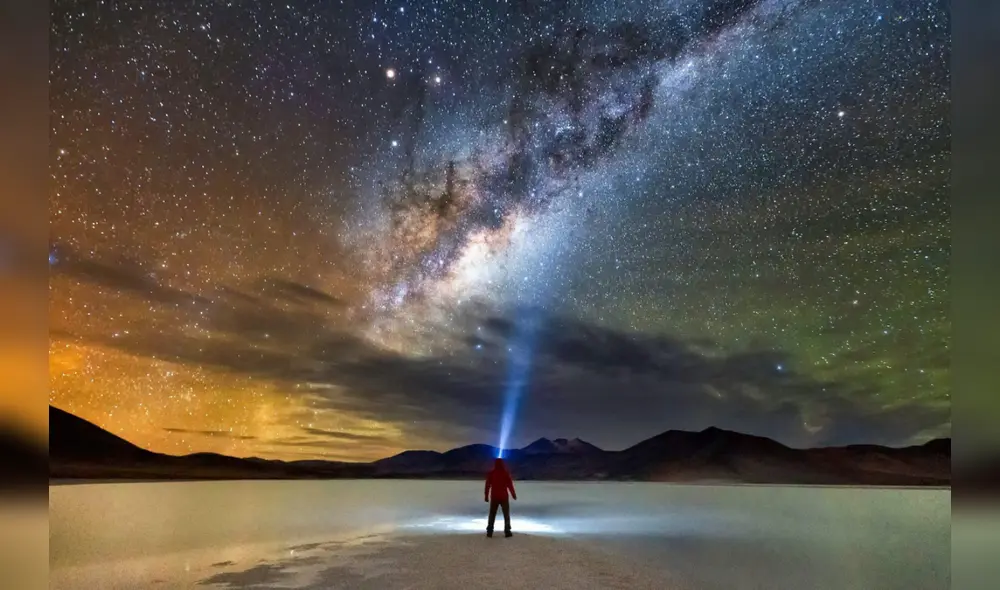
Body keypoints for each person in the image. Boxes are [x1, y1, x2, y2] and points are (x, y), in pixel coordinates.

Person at [484, 458, 517, 537]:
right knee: (506, 515)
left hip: (494, 497)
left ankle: (489, 531)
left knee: (492, 514)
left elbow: (487, 485)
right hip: (504, 497)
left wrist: (486, 496)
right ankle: (507, 531)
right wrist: (513, 495)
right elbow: (510, 485)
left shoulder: (492, 473)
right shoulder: (505, 473)